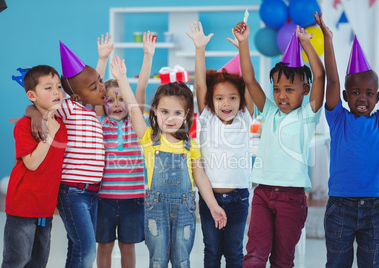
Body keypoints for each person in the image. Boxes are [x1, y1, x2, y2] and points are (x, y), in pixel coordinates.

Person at [109, 55, 227, 268]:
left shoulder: (190, 145)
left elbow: (200, 176)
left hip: (185, 209)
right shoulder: (148, 139)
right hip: (156, 208)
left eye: (177, 113)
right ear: (155, 111)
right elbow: (134, 109)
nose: (170, 118)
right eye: (164, 112)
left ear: (186, 114)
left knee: (182, 260)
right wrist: (122, 79)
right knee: (158, 260)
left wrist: (213, 205)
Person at [235, 20, 325, 267]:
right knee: (253, 257)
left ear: (305, 90)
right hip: (262, 193)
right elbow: (250, 80)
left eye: (288, 89)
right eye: (276, 89)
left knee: (282, 261)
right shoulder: (270, 112)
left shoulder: (308, 115)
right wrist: (243, 44)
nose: (281, 95)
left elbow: (319, 75)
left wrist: (307, 46)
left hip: (292, 198)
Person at [26, 38, 108, 268]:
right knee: (87, 249)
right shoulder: (69, 108)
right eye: (94, 87)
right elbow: (37, 106)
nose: (101, 87)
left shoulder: (91, 113)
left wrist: (102, 60)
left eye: (100, 82)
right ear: (75, 97)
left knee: (77, 246)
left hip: (92, 193)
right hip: (73, 191)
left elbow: (91, 85)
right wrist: (33, 114)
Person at [187, 21, 254, 268]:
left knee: (235, 252)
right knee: (212, 251)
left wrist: (243, 48)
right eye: (219, 98)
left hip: (238, 199)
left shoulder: (246, 118)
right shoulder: (207, 118)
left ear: (241, 100)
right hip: (209, 199)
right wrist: (199, 49)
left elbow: (249, 80)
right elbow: (200, 86)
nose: (226, 103)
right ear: (210, 101)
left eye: (233, 98)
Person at [314, 13, 379, 268]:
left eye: (369, 93)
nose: (362, 98)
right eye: (355, 92)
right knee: (337, 264)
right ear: (345, 95)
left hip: (375, 207)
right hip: (341, 207)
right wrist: (327, 40)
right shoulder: (338, 119)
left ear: (377, 97)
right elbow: (331, 78)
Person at [95, 31, 155, 268]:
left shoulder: (135, 122)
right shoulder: (100, 123)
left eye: (121, 98)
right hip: (103, 200)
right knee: (105, 245)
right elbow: (94, 88)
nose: (117, 104)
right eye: (110, 100)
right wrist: (102, 60)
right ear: (102, 104)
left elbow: (140, 88)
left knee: (127, 247)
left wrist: (148, 57)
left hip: (133, 200)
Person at [2, 65, 67, 268]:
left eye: (58, 86)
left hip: (46, 208)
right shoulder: (24, 125)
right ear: (32, 95)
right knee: (17, 260)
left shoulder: (61, 123)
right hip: (23, 206)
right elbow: (31, 163)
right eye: (48, 88)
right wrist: (49, 135)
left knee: (39, 261)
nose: (56, 91)